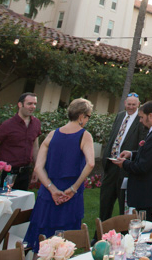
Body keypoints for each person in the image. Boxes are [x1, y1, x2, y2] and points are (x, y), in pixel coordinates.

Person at [24, 99, 96, 252]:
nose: (88, 120)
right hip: (69, 195)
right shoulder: (84, 135)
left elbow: (38, 167)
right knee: (65, 243)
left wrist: (51, 188)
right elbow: (91, 164)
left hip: (49, 194)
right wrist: (74, 188)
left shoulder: (52, 134)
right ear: (82, 116)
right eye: (89, 116)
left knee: (41, 241)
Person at [116, 100, 152, 222]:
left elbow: (142, 166)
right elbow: (150, 155)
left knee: (147, 228)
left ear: (150, 115)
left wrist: (124, 164)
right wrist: (131, 154)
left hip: (149, 193)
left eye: (142, 117)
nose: (140, 121)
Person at [0, 92, 41, 190]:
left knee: (20, 204)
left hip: (25, 173)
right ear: (20, 104)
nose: (33, 106)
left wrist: (37, 168)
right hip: (7, 173)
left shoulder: (36, 123)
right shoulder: (7, 125)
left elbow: (35, 148)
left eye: (35, 104)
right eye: (29, 103)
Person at [99, 93, 145, 221]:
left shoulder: (140, 121)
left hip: (126, 167)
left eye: (133, 105)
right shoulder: (119, 116)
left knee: (123, 204)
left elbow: (141, 144)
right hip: (111, 165)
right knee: (105, 201)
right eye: (129, 104)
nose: (130, 107)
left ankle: (124, 235)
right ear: (125, 104)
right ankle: (100, 233)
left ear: (138, 105)